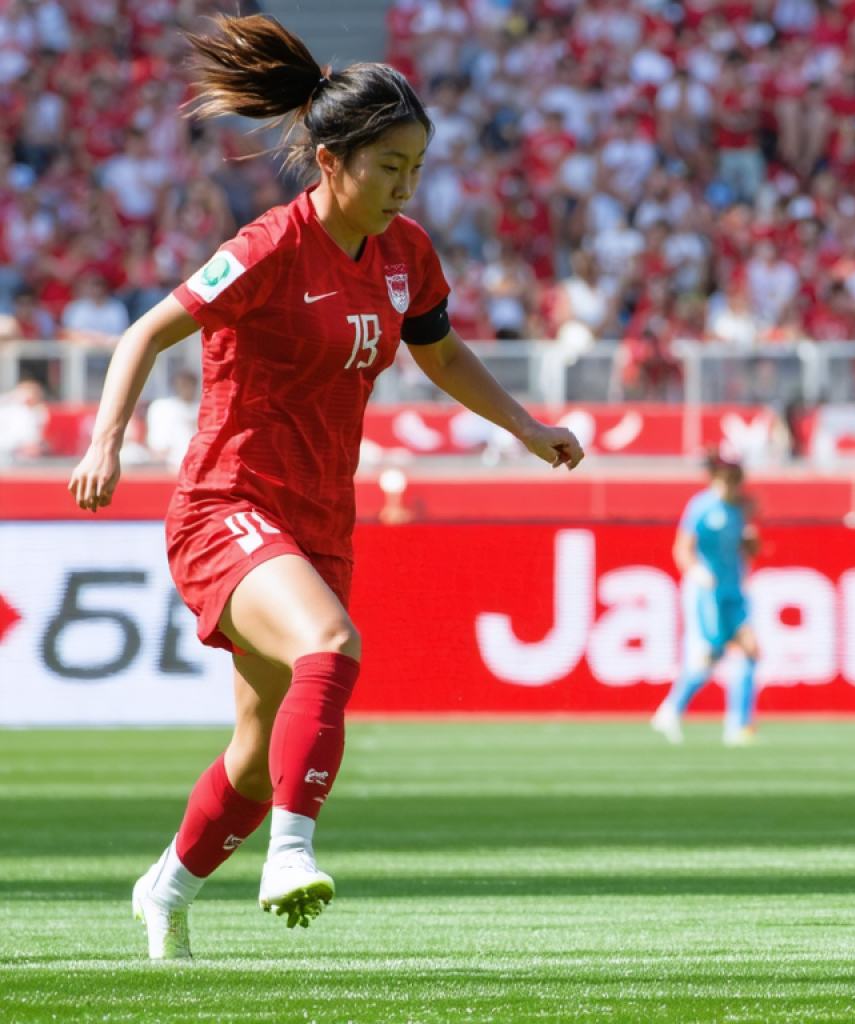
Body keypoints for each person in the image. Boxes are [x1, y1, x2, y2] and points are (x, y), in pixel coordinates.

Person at [66, 15, 585, 961]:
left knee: (259, 757)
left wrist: (524, 424)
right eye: (390, 164)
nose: (405, 184)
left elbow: (441, 350)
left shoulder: (405, 254)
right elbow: (145, 331)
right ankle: (289, 857)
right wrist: (108, 440)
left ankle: (164, 886)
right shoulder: (269, 245)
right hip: (227, 501)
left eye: (417, 166)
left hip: (317, 518)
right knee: (333, 645)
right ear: (333, 158)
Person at [652, 453, 762, 746]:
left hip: (734, 591)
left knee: (750, 651)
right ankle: (670, 710)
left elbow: (751, 550)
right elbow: (682, 548)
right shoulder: (701, 507)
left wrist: (751, 539)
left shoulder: (741, 509)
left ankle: (739, 727)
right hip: (706, 592)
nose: (730, 487)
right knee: (709, 657)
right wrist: (696, 571)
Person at [145, 369, 201, 468]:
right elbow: (158, 446)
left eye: (188, 384)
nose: (186, 388)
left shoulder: (201, 408)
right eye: (183, 385)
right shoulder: (163, 407)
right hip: (169, 465)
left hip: (196, 464)